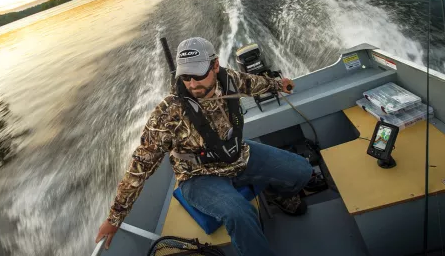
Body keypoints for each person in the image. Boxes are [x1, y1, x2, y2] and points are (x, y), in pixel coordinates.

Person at [95, 37, 313, 256]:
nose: (192, 84)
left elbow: (251, 83)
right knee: (240, 214)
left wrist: (277, 84)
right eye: (186, 76)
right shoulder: (168, 113)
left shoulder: (228, 80)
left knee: (302, 171)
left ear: (215, 66)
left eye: (198, 74)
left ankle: (278, 194)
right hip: (198, 176)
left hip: (237, 156)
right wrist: (115, 218)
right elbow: (139, 167)